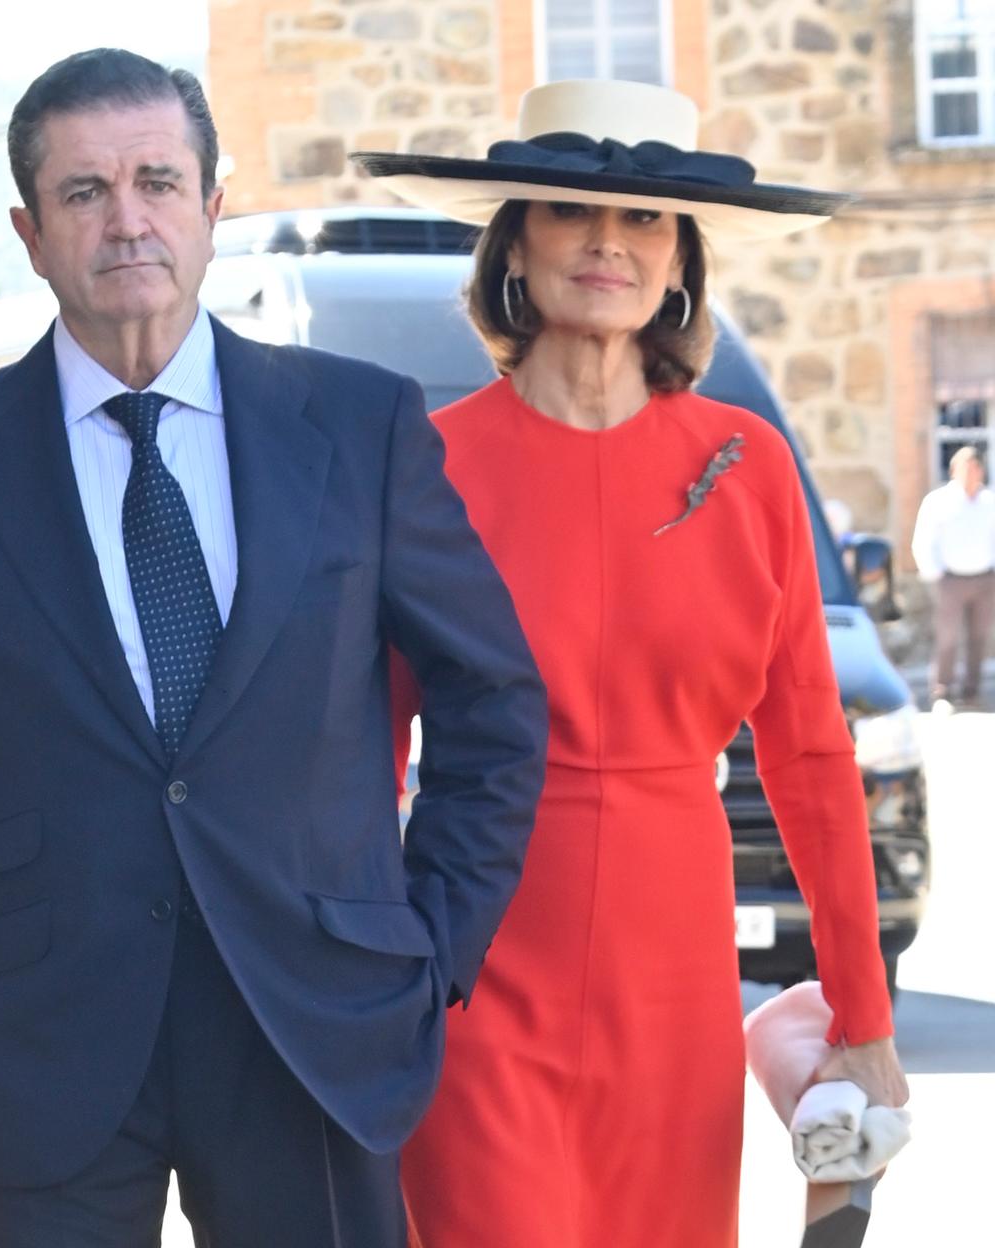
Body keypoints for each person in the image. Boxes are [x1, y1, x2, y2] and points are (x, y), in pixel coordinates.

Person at [0, 49, 547, 1248]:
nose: (127, 220)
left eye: (159, 182)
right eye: (84, 193)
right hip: (35, 1053)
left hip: (315, 1029)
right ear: (28, 230)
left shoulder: (359, 425)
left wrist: (430, 952)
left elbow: (497, 703)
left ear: (214, 209)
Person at [353, 79, 908, 1248]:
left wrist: (865, 1014)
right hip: (478, 959)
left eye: (645, 219)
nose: (608, 241)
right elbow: (361, 748)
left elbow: (810, 755)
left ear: (680, 261)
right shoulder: (427, 462)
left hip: (677, 973)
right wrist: (376, 973)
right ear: (517, 243)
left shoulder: (746, 463)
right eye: (569, 210)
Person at [910, 445, 995, 709]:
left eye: (975, 468)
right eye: (966, 468)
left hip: (984, 579)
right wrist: (935, 575)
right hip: (950, 580)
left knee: (979, 637)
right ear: (954, 470)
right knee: (947, 637)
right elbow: (923, 540)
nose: (971, 473)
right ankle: (942, 691)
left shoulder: (989, 501)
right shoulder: (938, 502)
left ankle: (972, 690)